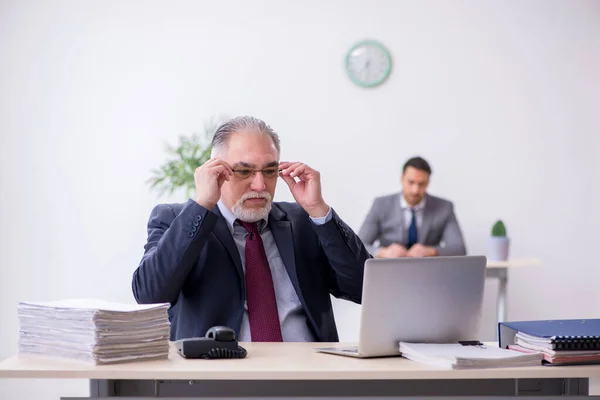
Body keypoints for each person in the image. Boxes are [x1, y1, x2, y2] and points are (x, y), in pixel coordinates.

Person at [132, 116, 370, 342]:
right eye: (244, 171)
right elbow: (150, 295)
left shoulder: (302, 220)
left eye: (269, 171)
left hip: (307, 373)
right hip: (219, 376)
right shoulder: (176, 219)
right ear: (215, 170)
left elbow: (364, 290)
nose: (260, 185)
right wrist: (201, 205)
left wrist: (319, 210)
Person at [358, 156, 466, 258]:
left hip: (429, 270)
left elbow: (459, 249)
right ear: (402, 179)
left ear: (428, 183)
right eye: (411, 182)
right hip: (390, 269)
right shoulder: (380, 205)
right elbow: (358, 245)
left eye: (421, 184)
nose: (415, 190)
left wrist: (431, 251)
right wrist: (383, 252)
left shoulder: (444, 207)